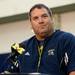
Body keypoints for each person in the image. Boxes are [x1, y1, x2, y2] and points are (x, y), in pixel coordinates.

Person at [0, 3, 75, 75]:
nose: (41, 21)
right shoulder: (20, 47)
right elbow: (6, 72)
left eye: (44, 16)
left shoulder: (67, 39)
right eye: (35, 18)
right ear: (31, 23)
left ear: (52, 19)